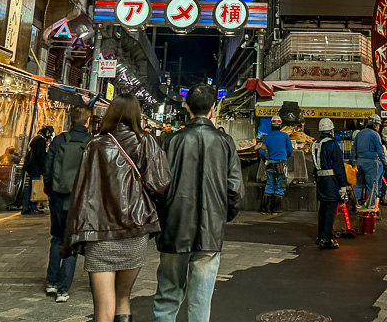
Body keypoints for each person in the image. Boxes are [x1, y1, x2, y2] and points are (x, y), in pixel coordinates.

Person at [63, 94, 171, 322]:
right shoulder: (147, 142)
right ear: (137, 114)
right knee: (123, 297)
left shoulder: (94, 145)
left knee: (103, 306)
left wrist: (73, 234)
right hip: (135, 228)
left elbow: (81, 192)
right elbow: (161, 184)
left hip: (99, 231)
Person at [153, 84, 242, 322]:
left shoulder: (172, 141)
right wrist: (222, 214)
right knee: (201, 300)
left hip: (174, 226)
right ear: (213, 109)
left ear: (186, 107)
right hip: (210, 229)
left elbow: (158, 186)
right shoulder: (225, 143)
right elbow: (235, 189)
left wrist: (163, 217)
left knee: (168, 295)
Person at [44, 105, 92, 303]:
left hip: (57, 196)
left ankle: (51, 282)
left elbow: (48, 168)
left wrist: (50, 191)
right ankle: (64, 289)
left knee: (56, 238)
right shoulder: (91, 143)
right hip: (79, 200)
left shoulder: (59, 140)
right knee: (72, 241)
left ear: (70, 120)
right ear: (88, 121)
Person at [311, 118, 347, 249]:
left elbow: (315, 166)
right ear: (331, 130)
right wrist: (343, 184)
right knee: (331, 208)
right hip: (331, 181)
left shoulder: (315, 144)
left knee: (323, 208)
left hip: (321, 180)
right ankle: (327, 238)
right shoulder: (332, 144)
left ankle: (320, 236)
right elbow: (339, 166)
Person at [259, 115, 293, 214]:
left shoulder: (266, 137)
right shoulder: (285, 136)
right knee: (280, 186)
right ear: (280, 124)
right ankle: (276, 210)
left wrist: (265, 159)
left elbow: (261, 152)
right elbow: (290, 150)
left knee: (269, 185)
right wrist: (285, 156)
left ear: (271, 125)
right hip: (281, 164)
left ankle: (265, 209)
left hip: (271, 163)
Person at [353, 115, 387, 207]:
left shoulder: (359, 134)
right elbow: (380, 150)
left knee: (359, 184)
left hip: (359, 162)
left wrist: (353, 163)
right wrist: (385, 163)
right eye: (378, 125)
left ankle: (357, 203)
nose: (379, 127)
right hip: (371, 162)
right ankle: (370, 206)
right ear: (375, 125)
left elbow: (353, 150)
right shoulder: (375, 135)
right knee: (372, 185)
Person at [22, 126, 54, 215]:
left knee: (30, 187)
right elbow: (41, 156)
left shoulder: (35, 139)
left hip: (31, 167)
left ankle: (26, 207)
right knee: (34, 187)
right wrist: (44, 168)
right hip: (36, 168)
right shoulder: (40, 141)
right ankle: (32, 206)